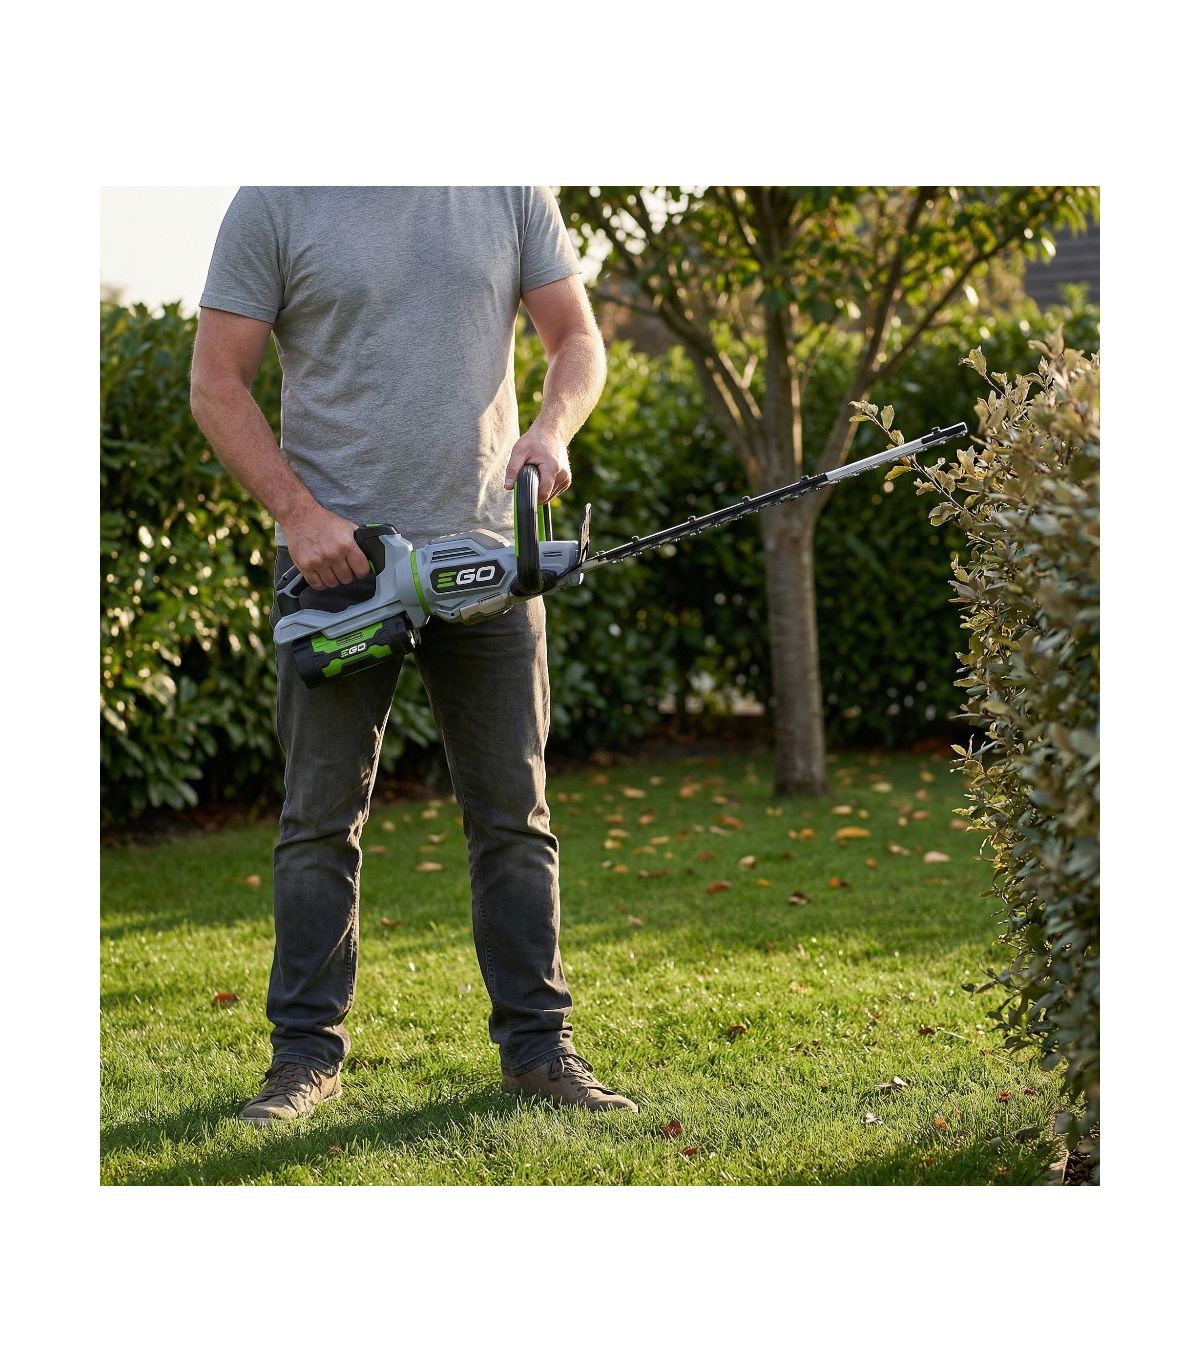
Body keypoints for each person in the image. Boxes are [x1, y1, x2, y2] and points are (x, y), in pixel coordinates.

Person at [190, 186, 636, 1122]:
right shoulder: (276, 200)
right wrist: (300, 517)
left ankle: (538, 1052)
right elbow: (217, 382)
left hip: (486, 561)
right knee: (318, 821)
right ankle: (303, 1059)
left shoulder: (507, 188)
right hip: (337, 568)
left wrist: (550, 431)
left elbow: (575, 338)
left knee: (514, 816)